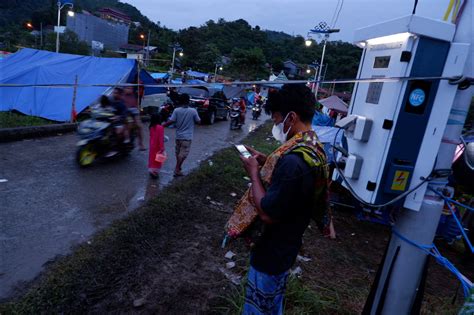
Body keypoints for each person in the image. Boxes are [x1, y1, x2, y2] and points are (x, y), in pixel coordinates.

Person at [226, 84, 331, 315]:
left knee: (259, 307)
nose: (276, 127)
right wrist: (266, 161)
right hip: (287, 246)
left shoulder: (294, 162)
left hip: (271, 252)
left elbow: (267, 213)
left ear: (291, 117)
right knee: (273, 303)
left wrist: (254, 174)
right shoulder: (312, 146)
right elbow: (292, 186)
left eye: (276, 121)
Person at [162, 93, 201, 177]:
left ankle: (178, 168)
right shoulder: (193, 111)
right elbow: (198, 121)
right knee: (183, 154)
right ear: (188, 101)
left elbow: (171, 121)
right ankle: (177, 169)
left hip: (178, 136)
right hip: (187, 137)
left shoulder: (176, 110)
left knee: (178, 153)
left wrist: (162, 126)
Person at [123, 86, 146, 150]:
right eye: (127, 88)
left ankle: (141, 144)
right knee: (128, 124)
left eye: (130, 88)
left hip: (134, 113)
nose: (129, 89)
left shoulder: (134, 95)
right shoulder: (121, 96)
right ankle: (126, 138)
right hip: (125, 113)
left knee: (139, 126)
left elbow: (136, 107)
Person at [148, 113, 165, 178]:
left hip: (152, 146)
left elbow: (152, 137)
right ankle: (155, 172)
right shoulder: (160, 127)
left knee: (152, 158)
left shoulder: (151, 127)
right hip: (158, 146)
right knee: (158, 160)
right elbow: (160, 138)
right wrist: (162, 148)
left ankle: (152, 170)